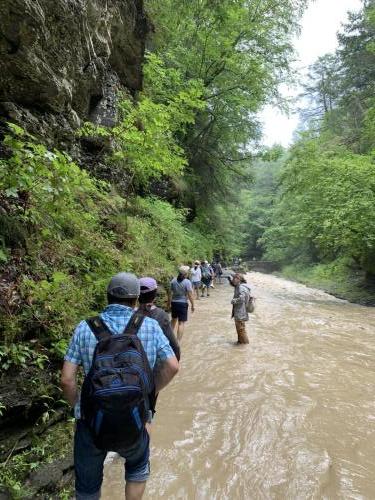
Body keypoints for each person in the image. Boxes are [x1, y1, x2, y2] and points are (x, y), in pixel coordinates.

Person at [61, 272, 179, 500]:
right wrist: (149, 393)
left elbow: (66, 380)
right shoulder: (151, 326)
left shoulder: (85, 328)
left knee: (87, 486)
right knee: (137, 470)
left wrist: (78, 407)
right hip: (136, 417)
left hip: (91, 421)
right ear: (136, 300)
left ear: (107, 297)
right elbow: (172, 366)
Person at [169, 265, 194, 341]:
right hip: (182, 304)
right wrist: (193, 305)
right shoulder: (187, 282)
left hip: (174, 303)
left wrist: (168, 304)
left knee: (173, 320)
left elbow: (170, 294)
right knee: (181, 323)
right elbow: (190, 295)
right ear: (186, 274)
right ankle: (177, 342)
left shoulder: (173, 280)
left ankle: (169, 338)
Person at [228, 273, 250, 344]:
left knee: (241, 330)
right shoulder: (241, 286)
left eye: (236, 278)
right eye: (234, 278)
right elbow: (233, 284)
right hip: (241, 311)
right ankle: (240, 343)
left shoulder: (240, 287)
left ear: (240, 280)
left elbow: (242, 298)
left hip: (240, 312)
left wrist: (233, 301)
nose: (234, 279)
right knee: (240, 329)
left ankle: (244, 345)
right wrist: (229, 279)